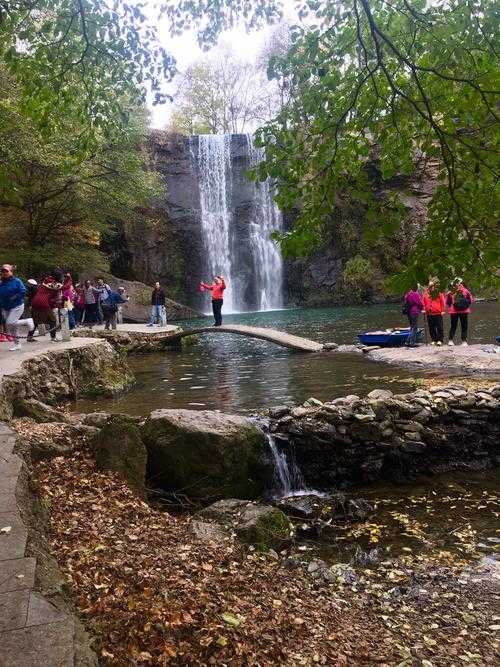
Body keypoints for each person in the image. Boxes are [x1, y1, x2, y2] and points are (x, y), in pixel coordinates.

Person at [0, 264, 35, 351]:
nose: (4, 273)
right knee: (12, 327)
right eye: (3, 271)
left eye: (6, 271)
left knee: (9, 323)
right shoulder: (1, 283)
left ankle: (27, 321)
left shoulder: (16, 281)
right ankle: (17, 344)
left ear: (11, 272)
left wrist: (14, 298)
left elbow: (23, 291)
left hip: (17, 306)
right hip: (6, 307)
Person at [30, 276, 61, 342]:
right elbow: (64, 287)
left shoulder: (41, 286)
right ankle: (53, 337)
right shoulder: (51, 286)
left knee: (34, 321)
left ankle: (29, 337)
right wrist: (69, 278)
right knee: (52, 320)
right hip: (43, 303)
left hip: (35, 303)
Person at [447, 278, 473, 346]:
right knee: (464, 326)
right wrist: (465, 305)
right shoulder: (466, 291)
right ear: (461, 283)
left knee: (453, 326)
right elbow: (470, 300)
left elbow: (448, 302)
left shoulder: (451, 292)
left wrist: (452, 306)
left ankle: (450, 341)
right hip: (464, 311)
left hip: (453, 312)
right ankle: (464, 342)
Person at [422, 277, 445, 346]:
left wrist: (443, 310)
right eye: (430, 286)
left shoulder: (439, 293)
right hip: (429, 313)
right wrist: (423, 309)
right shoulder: (425, 294)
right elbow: (423, 302)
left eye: (432, 286)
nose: (431, 287)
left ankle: (440, 340)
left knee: (440, 327)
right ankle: (433, 340)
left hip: (438, 312)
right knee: (431, 327)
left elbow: (443, 302)